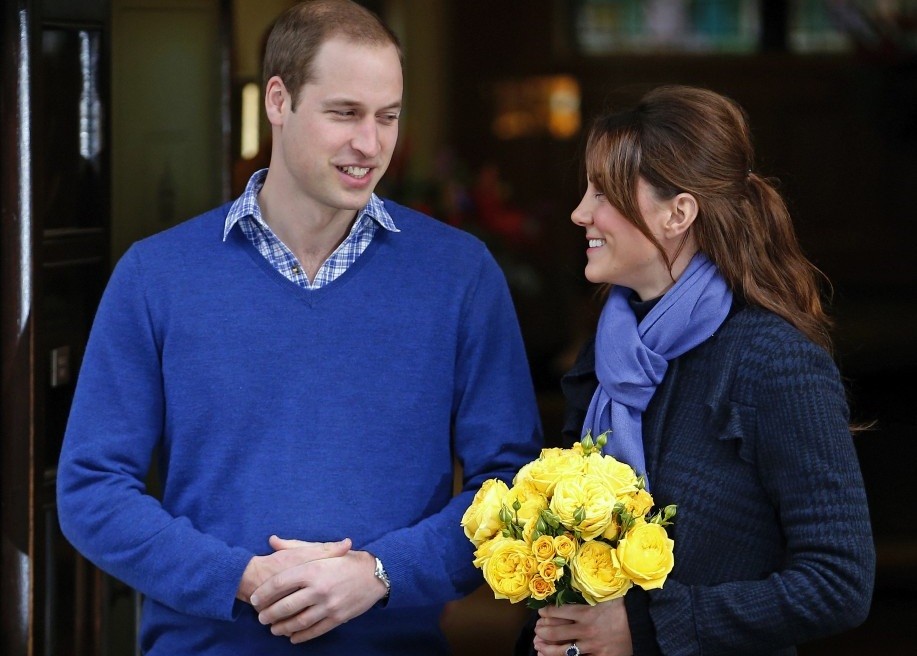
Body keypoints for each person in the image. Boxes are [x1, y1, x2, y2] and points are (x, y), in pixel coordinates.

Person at [56, 1, 542, 654]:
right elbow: (91, 490)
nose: (369, 144)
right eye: (344, 113)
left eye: (387, 117)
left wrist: (380, 573)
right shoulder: (156, 276)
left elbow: (512, 484)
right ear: (278, 101)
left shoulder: (458, 275)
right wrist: (242, 578)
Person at [517, 85, 875, 656]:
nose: (580, 212)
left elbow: (839, 583)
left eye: (604, 192)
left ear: (678, 212)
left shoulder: (775, 362)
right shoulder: (604, 352)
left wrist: (649, 627)